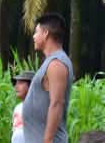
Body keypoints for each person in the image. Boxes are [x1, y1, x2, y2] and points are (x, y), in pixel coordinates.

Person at [23, 13, 74, 143]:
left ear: (45, 33)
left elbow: (57, 103)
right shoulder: (50, 62)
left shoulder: (57, 63)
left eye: (36, 32)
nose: (34, 36)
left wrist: (47, 141)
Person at [11, 71, 34, 143]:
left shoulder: (39, 107)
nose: (16, 87)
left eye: (20, 83)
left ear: (31, 86)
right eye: (16, 83)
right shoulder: (17, 108)